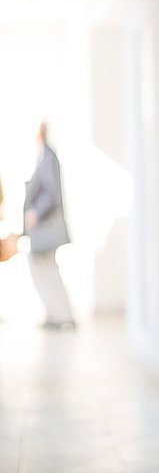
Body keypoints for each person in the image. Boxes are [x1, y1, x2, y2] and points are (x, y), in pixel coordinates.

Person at [24, 122, 76, 330]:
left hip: (46, 229)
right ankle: (56, 314)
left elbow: (51, 192)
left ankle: (61, 315)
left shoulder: (47, 157)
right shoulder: (45, 156)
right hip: (43, 230)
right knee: (45, 268)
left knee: (44, 268)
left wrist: (36, 211)